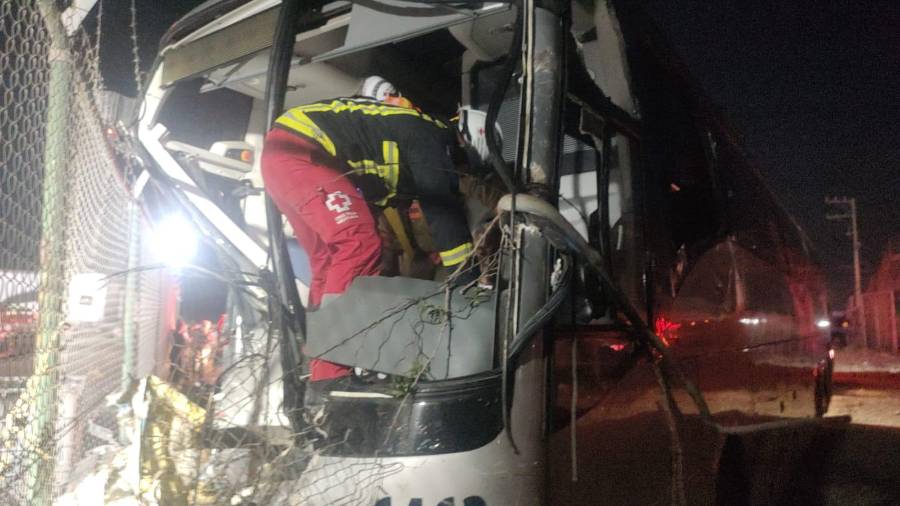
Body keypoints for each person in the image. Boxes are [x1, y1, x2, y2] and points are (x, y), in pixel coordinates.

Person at [261, 76, 485, 383]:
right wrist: (469, 287)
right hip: (303, 151)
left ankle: (319, 369)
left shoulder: (396, 135)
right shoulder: (431, 134)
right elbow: (443, 214)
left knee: (329, 261)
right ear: (464, 144)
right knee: (358, 243)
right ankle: (331, 375)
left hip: (285, 155)